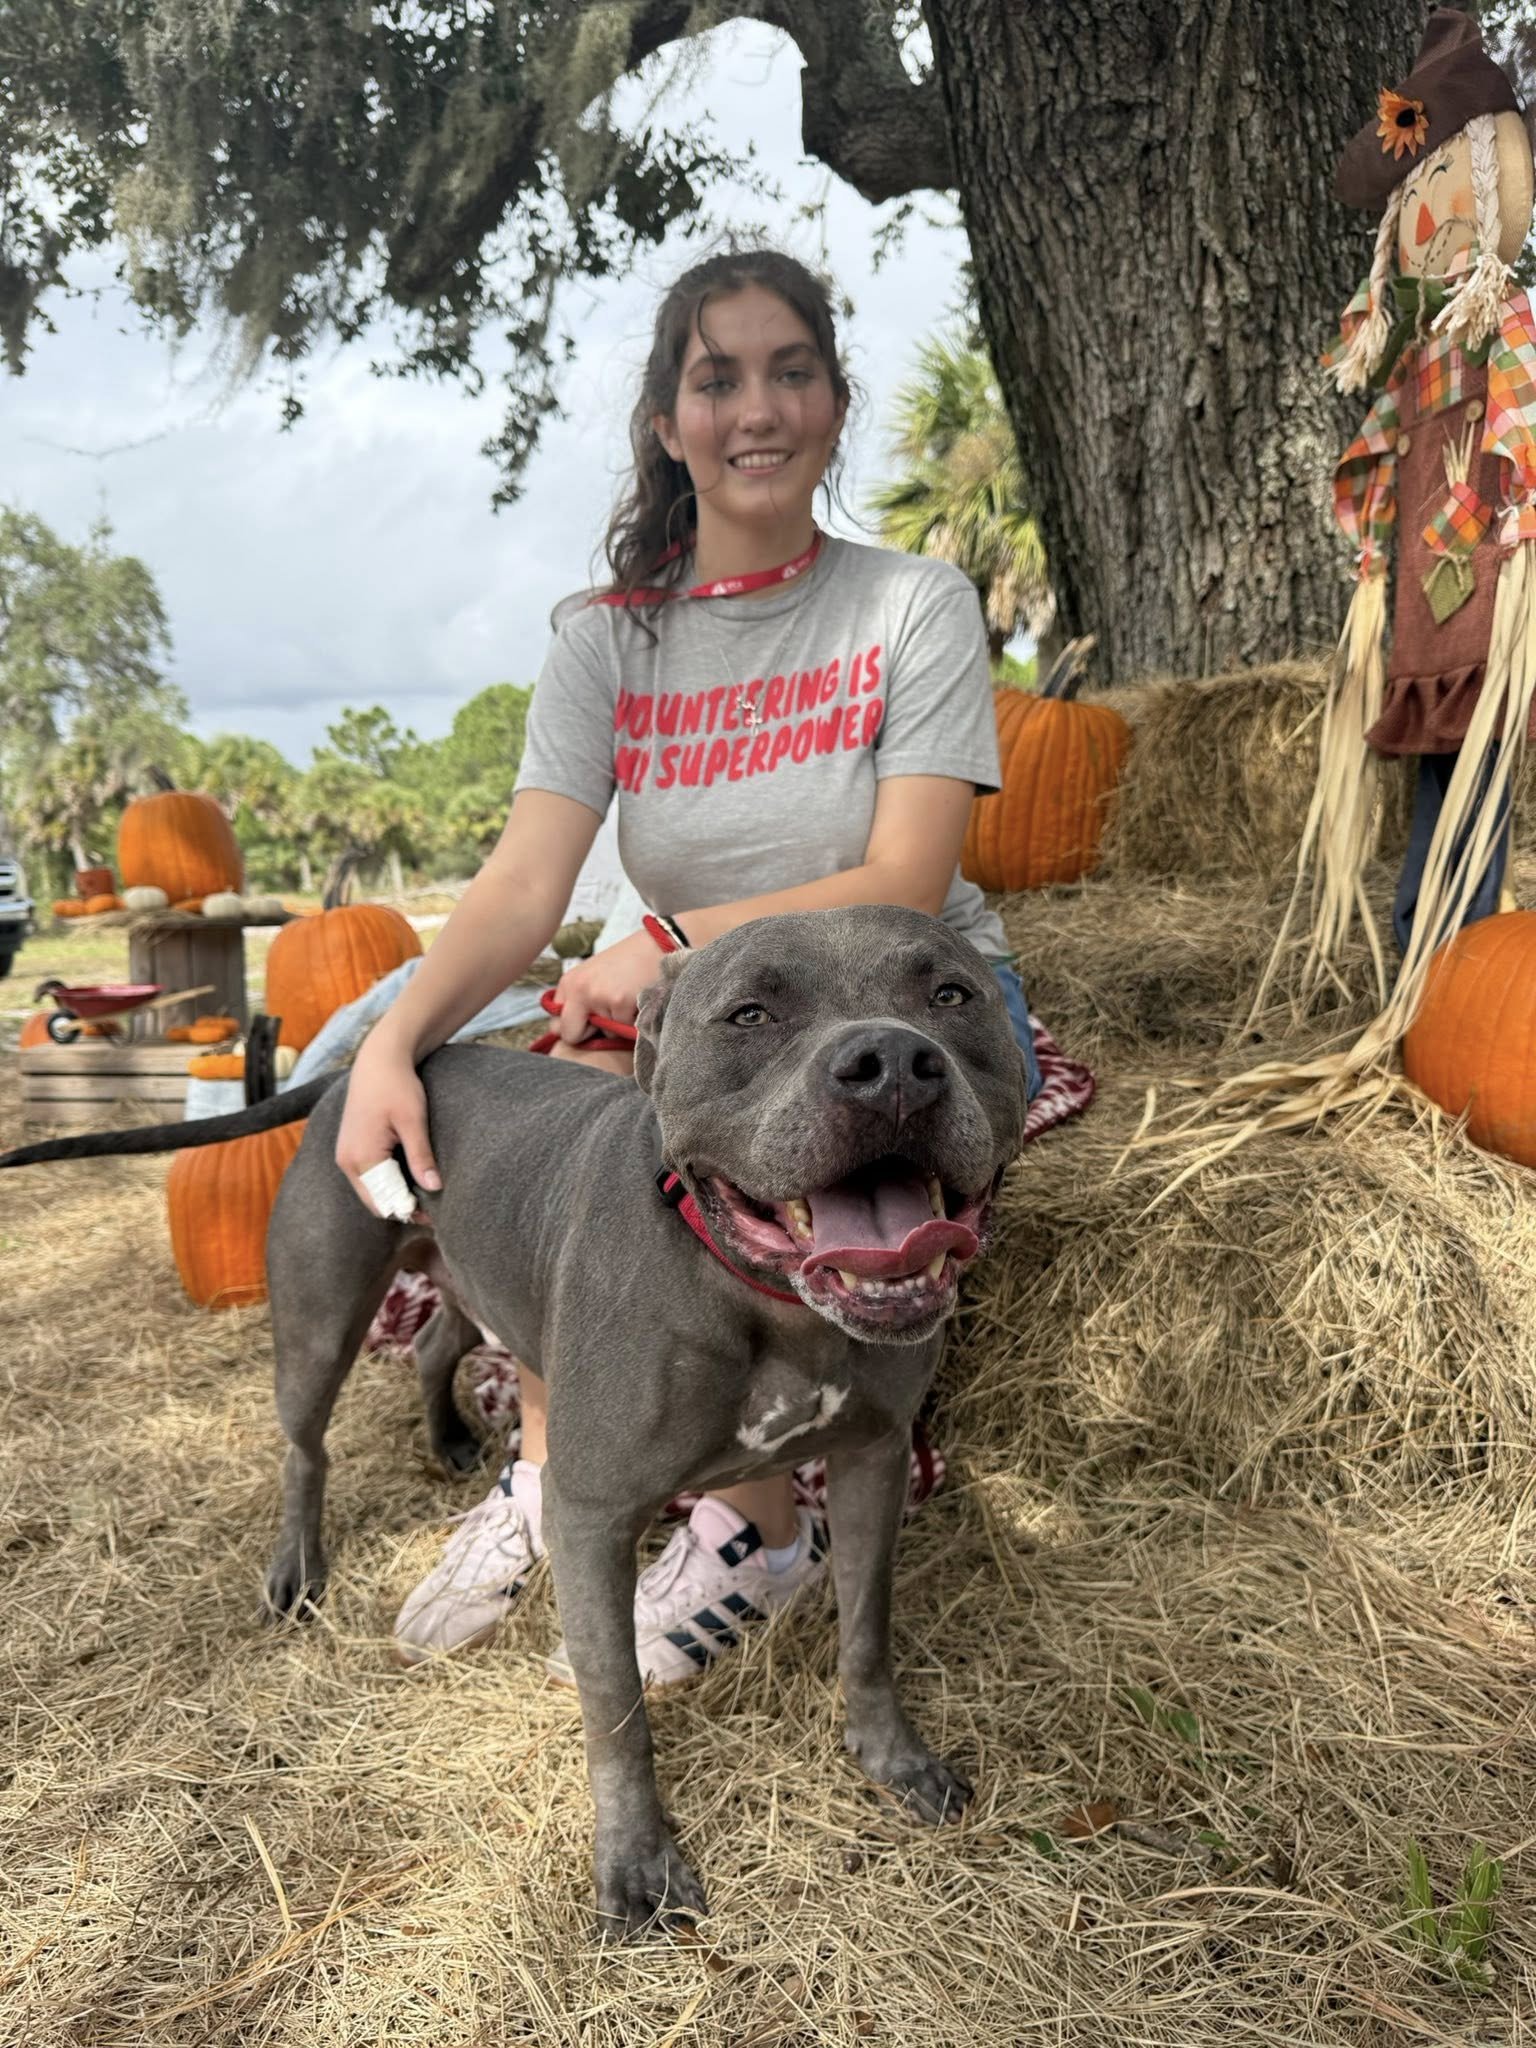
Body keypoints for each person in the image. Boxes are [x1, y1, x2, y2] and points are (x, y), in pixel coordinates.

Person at [335, 246, 1044, 1679]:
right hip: (713, 1002)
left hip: (895, 991)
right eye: (717, 379)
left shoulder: (912, 603)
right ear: (669, 422)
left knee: (663, 1078)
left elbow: (909, 878)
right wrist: (390, 1048)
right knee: (564, 1115)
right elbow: (527, 885)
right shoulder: (607, 642)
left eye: (793, 371)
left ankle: (756, 1522)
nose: (758, 408)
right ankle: (560, 1469)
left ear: (837, 403)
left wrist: (663, 940)